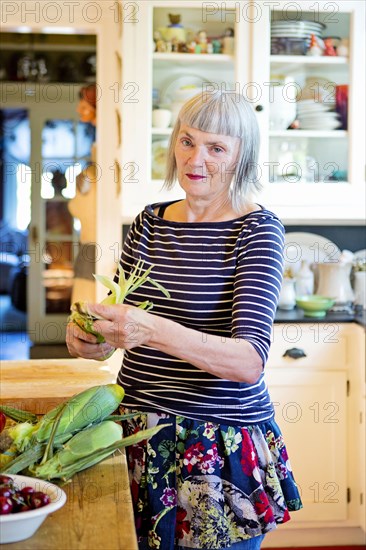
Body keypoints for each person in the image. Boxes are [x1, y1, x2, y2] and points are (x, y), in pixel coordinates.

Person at [66, 90, 302, 549]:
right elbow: (121, 320)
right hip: (136, 430)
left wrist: (151, 329)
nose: (197, 158)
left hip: (215, 444)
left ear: (242, 158)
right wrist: (92, 337)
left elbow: (248, 362)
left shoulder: (256, 230)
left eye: (217, 148)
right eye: (188, 141)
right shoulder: (149, 222)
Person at [68, 83, 98, 303]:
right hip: (89, 244)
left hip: (95, 246)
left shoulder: (107, 141)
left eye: (84, 103)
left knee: (85, 311)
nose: (79, 108)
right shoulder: (99, 139)